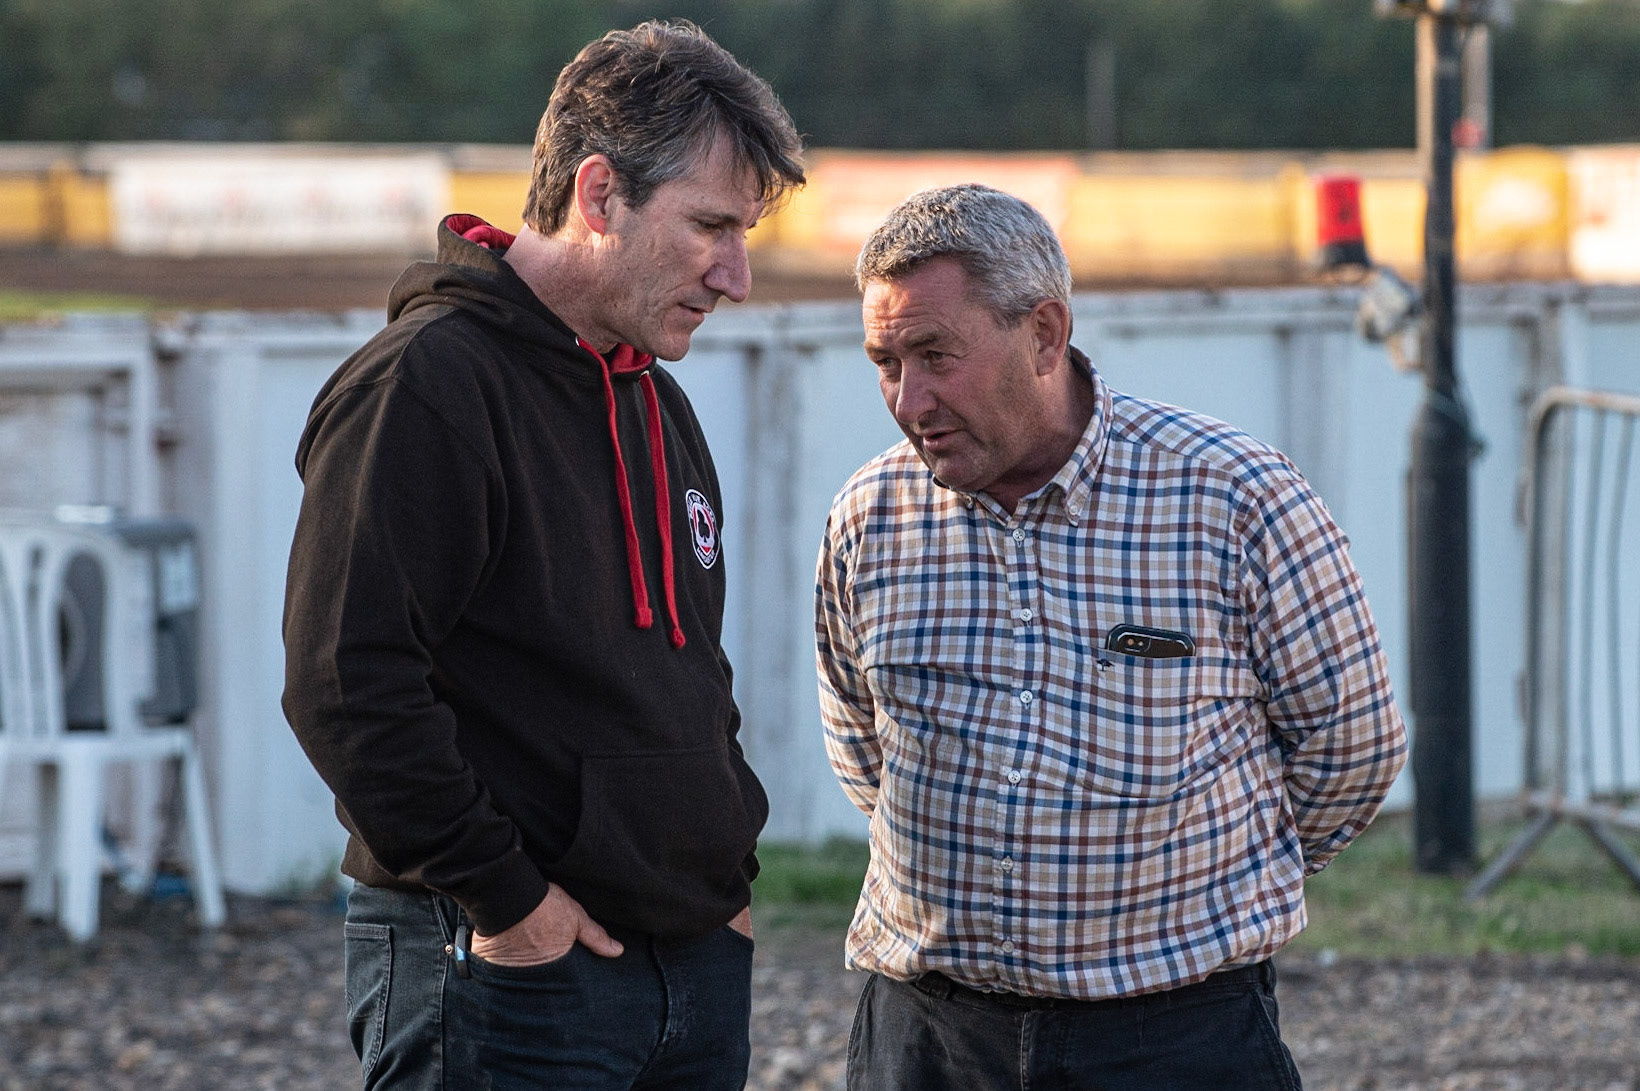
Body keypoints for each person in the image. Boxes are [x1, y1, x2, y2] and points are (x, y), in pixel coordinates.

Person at [282, 20, 803, 1090]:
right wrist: (508, 905)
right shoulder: (425, 385)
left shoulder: (653, 398)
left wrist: (726, 871)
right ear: (599, 193)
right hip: (500, 968)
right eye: (709, 225)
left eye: (743, 233)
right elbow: (346, 682)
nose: (735, 275)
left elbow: (687, 681)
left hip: (691, 965)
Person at [814, 184, 1408, 1090]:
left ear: (1045, 334)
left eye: (936, 355)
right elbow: (863, 745)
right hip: (929, 1040)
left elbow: (1352, 747)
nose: (910, 398)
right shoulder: (869, 514)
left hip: (1175, 1040)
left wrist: (1202, 878)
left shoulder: (1233, 498)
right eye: (886, 361)